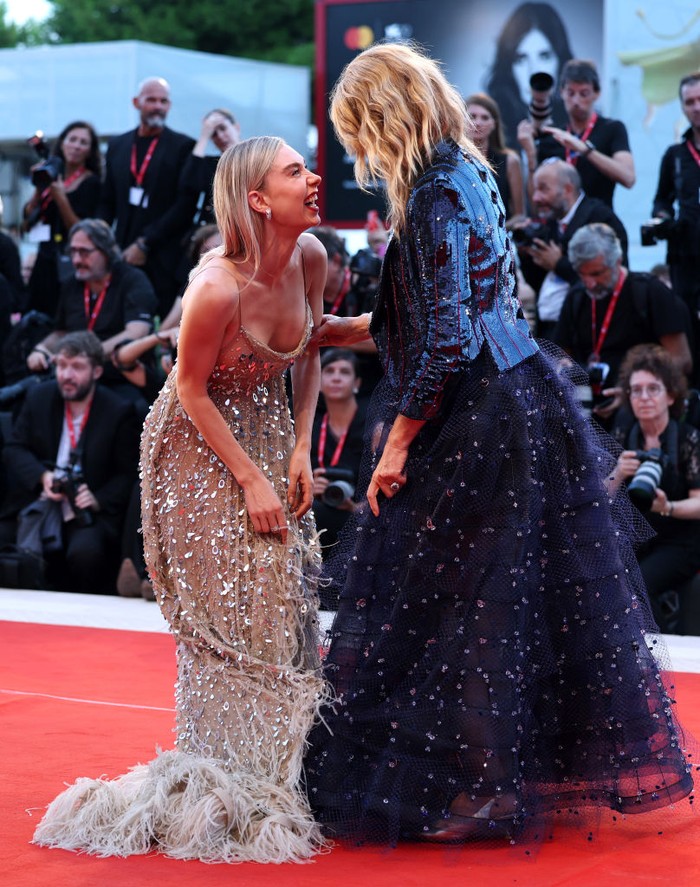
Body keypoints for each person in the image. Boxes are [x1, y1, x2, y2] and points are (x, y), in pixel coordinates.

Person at [303, 41, 694, 846]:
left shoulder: (436, 191)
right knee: (499, 597)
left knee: (472, 604)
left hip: (475, 414)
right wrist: (346, 327)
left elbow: (447, 335)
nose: (359, 154)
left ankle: (485, 786)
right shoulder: (467, 169)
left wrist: (397, 443)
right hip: (510, 397)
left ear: (385, 116)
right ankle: (493, 776)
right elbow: (459, 306)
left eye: (360, 133)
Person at [33, 136, 330, 863]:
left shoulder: (314, 256)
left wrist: (298, 448)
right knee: (230, 598)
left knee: (280, 589)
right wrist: (251, 479)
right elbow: (191, 391)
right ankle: (228, 774)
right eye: (296, 170)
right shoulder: (215, 287)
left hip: (265, 425)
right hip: (196, 447)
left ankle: (275, 767)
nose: (314, 177)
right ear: (257, 198)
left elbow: (313, 348)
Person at [0, 331, 139, 594]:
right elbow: (15, 447)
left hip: (87, 507)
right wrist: (42, 477)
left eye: (76, 367)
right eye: (61, 366)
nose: (66, 375)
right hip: (39, 498)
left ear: (97, 371)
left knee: (87, 552)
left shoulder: (118, 410)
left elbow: (128, 474)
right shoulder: (39, 397)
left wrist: (98, 498)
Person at [555, 223, 692, 422]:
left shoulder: (650, 292)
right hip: (589, 413)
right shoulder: (577, 297)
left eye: (596, 273)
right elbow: (560, 355)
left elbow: (681, 360)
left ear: (618, 261)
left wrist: (631, 392)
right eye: (582, 275)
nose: (589, 283)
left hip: (641, 415)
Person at [609, 345, 700, 633]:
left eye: (653, 389)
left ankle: (658, 658)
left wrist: (668, 507)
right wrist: (618, 473)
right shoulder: (622, 434)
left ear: (670, 395)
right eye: (636, 390)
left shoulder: (689, 439)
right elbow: (598, 498)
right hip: (637, 538)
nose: (644, 397)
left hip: (681, 541)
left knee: (639, 583)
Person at [25, 219, 157, 408]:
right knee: (33, 398)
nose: (76, 260)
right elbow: (61, 332)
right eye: (73, 251)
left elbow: (137, 332)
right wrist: (42, 349)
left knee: (130, 409)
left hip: (119, 377)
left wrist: (86, 356)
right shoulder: (72, 284)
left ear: (106, 252)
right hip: (77, 377)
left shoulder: (132, 280)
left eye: (84, 252)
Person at [98, 77, 196, 316]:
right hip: (122, 251)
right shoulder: (118, 145)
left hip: (165, 253)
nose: (157, 106)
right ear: (136, 102)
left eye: (163, 101)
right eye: (151, 100)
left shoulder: (183, 146)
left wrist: (145, 243)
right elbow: (108, 198)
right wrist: (101, 233)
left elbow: (185, 205)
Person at [516, 158, 628, 337]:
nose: (536, 198)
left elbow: (611, 280)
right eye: (535, 190)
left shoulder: (600, 219)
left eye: (543, 189)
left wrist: (559, 263)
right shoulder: (552, 223)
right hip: (550, 329)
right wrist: (527, 255)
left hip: (587, 330)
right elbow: (539, 283)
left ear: (567, 189)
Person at [519, 59, 635, 209]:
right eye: (570, 93)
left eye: (584, 94)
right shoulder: (553, 136)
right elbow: (536, 202)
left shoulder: (612, 129)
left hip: (598, 224)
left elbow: (628, 178)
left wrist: (583, 149)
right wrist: (530, 154)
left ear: (596, 93)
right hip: (558, 227)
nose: (576, 100)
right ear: (561, 92)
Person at [23, 121, 102, 316]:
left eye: (83, 142)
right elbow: (26, 222)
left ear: (90, 151)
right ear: (62, 143)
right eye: (72, 139)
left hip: (70, 261)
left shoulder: (92, 183)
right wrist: (39, 188)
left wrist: (61, 198)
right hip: (44, 257)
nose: (76, 146)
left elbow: (82, 230)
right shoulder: (52, 174)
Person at [651, 72, 700, 369]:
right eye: (690, 101)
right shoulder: (676, 155)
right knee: (687, 326)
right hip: (685, 255)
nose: (696, 107)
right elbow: (661, 200)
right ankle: (691, 401)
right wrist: (663, 217)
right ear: (682, 107)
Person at [486, 2, 573, 150]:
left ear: (560, 61)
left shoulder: (585, 126)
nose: (534, 71)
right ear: (509, 68)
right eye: (521, 59)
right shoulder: (489, 129)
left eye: (544, 56)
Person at [311, 348, 366, 569]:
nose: (335, 377)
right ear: (319, 381)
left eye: (344, 372)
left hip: (363, 513)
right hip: (321, 510)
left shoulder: (373, 425)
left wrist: (355, 507)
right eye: (329, 371)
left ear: (357, 383)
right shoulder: (311, 428)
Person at [465, 92, 525, 222]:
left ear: (494, 124)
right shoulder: (452, 161)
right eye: (472, 116)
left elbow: (520, 215)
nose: (478, 122)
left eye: (485, 117)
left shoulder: (510, 160)